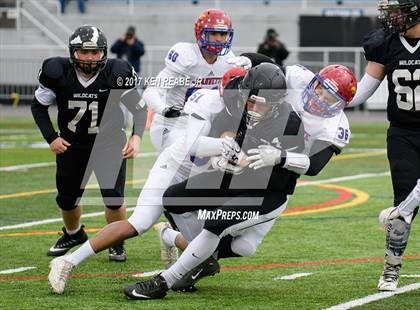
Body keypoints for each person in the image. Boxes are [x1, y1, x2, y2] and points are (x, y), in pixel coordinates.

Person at [123, 61, 358, 300]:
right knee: (174, 198)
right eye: (319, 90)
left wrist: (281, 156)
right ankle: (201, 258)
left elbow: (315, 166)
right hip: (243, 175)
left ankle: (164, 281)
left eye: (330, 99)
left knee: (236, 240)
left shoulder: (309, 124)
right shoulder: (281, 82)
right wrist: (222, 156)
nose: (320, 98)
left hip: (272, 188)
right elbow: (257, 75)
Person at [46, 66, 248, 294]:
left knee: (209, 251)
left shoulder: (249, 112)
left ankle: (168, 236)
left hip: (199, 177)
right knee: (139, 223)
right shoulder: (207, 101)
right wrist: (227, 149)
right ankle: (67, 262)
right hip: (173, 169)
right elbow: (194, 144)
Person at [31, 25, 147, 264]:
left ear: (103, 53)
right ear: (73, 52)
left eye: (95, 52)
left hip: (109, 143)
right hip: (71, 143)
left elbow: (139, 108)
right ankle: (73, 234)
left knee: (112, 197)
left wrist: (136, 136)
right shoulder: (57, 71)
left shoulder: (116, 71)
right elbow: (38, 106)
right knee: (67, 198)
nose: (90, 57)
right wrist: (51, 136)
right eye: (84, 52)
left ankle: (116, 241)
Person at [347, 0, 420, 291]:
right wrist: (332, 99)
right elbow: (362, 91)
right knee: (403, 208)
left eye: (399, 11)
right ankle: (391, 268)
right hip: (403, 134)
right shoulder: (385, 44)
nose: (393, 18)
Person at [142, 8, 235, 152]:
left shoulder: (228, 61)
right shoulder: (187, 57)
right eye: (213, 33)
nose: (218, 38)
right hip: (172, 126)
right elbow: (151, 91)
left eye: (223, 34)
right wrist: (164, 109)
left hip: (202, 125)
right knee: (200, 150)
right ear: (200, 33)